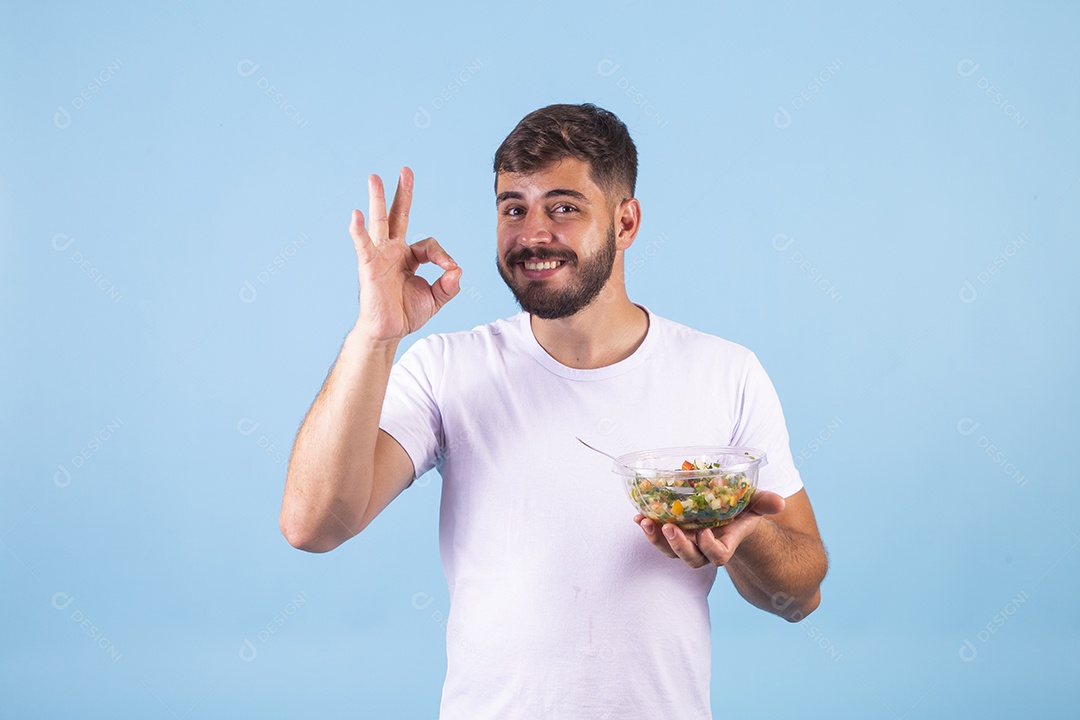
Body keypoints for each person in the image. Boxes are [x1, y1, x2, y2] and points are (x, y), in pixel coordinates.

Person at [280, 103, 828, 719]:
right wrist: (374, 336)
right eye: (513, 208)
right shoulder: (446, 368)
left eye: (563, 207)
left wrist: (746, 537)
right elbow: (312, 526)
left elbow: (800, 595)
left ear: (626, 223)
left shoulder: (725, 373)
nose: (532, 232)